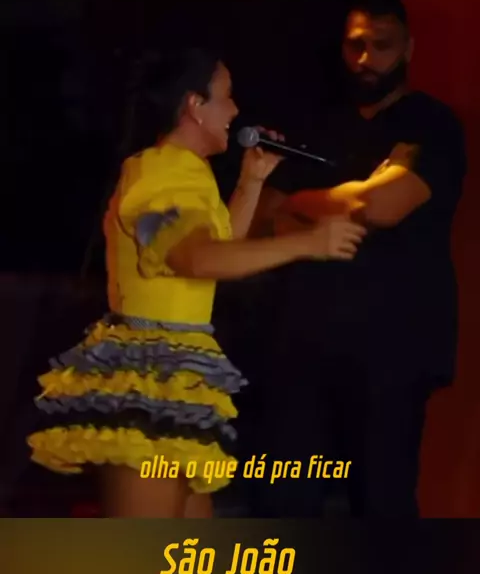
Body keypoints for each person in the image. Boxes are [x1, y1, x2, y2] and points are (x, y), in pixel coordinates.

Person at [26, 48, 365, 518]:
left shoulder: (188, 172)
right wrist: (308, 242)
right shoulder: (157, 172)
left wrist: (250, 183)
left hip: (177, 375)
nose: (235, 110)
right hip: (148, 379)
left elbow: (217, 249)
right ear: (194, 105)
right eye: (226, 96)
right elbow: (197, 258)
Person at [251, 0, 466, 518]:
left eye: (382, 46)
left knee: (381, 502)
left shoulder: (431, 124)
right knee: (285, 502)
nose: (366, 59)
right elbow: (261, 217)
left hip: (393, 349)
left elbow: (381, 206)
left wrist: (303, 202)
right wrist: (344, 198)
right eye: (355, 45)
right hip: (302, 342)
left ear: (409, 48)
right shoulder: (314, 125)